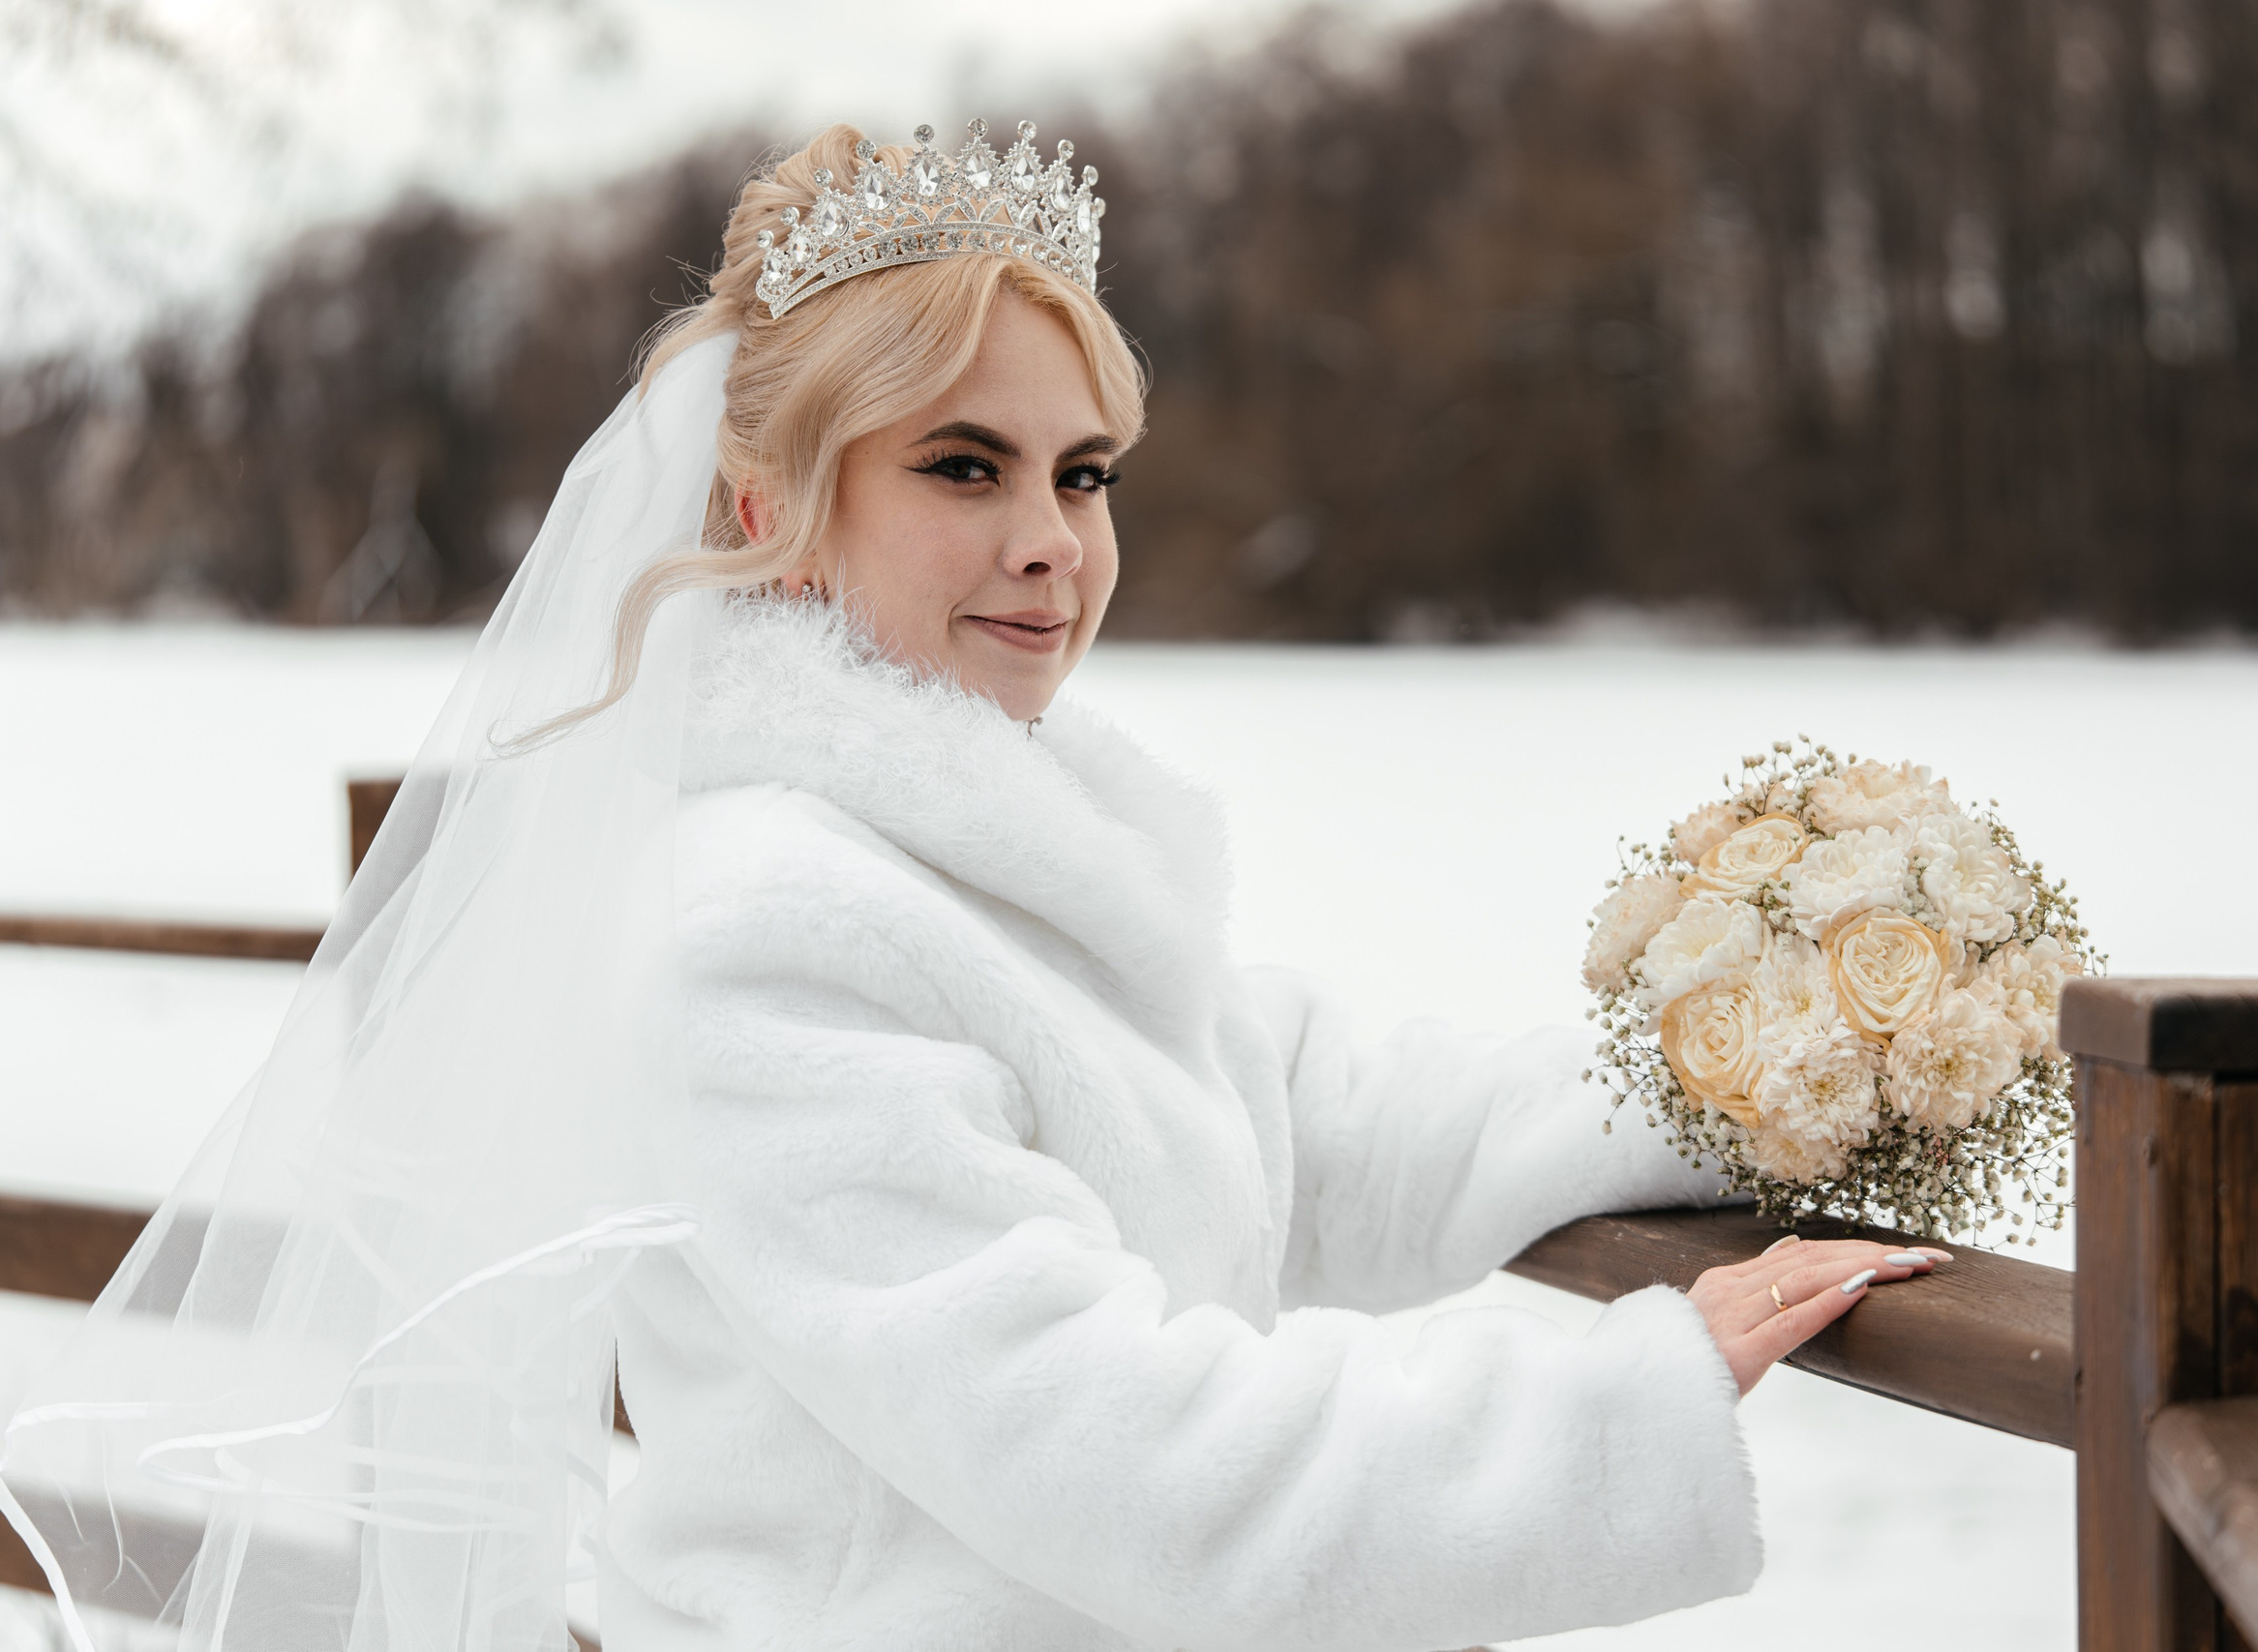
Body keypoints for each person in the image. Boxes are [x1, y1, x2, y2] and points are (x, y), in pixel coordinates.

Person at [0, 120, 1944, 1652]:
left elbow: (1312, 1111)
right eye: (960, 466)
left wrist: (1739, 1065)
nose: (1048, 545)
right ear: (767, 508)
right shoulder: (760, 930)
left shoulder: (999, 857)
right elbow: (1130, 1457)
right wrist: (1641, 1387)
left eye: (1081, 472)